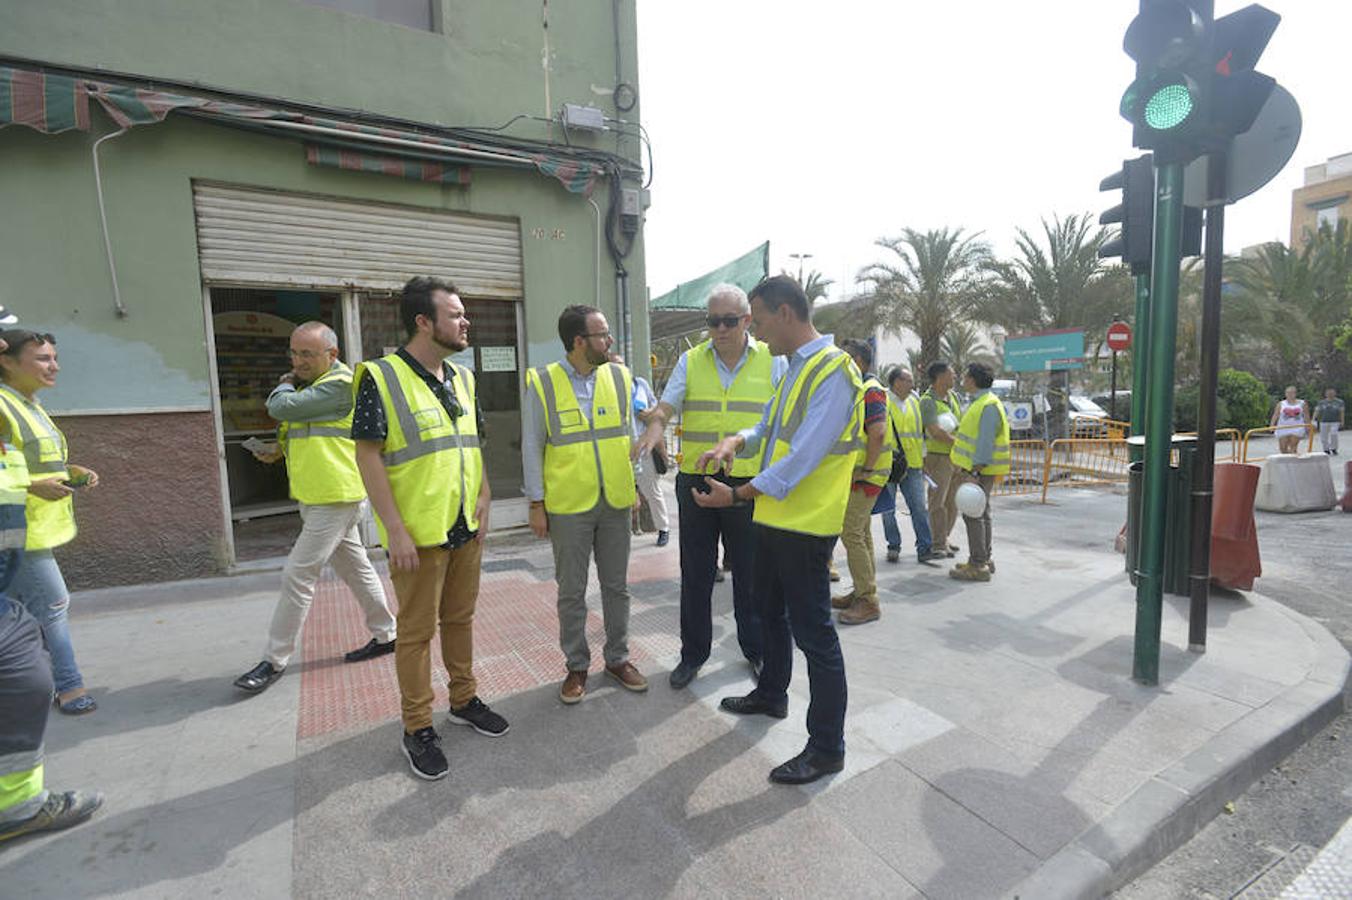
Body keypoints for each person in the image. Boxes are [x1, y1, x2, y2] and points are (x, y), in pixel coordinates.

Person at [693, 275, 862, 786]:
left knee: (816, 637)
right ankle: (772, 692)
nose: (757, 332)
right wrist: (734, 442)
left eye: (759, 321)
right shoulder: (793, 368)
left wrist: (739, 495)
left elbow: (805, 455)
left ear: (785, 313)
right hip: (773, 518)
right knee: (769, 614)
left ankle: (827, 747)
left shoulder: (835, 371)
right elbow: (769, 424)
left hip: (805, 526)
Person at [352, 277, 506, 782]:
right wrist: (393, 529)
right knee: (415, 634)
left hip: (465, 524)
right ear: (424, 321)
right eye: (456, 314)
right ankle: (417, 726)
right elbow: (368, 455)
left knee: (460, 619)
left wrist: (484, 494)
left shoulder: (463, 378)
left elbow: (472, 441)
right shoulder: (381, 376)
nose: (466, 323)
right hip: (417, 534)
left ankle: (463, 699)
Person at [233, 322, 398, 695]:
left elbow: (279, 407)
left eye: (307, 354)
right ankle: (387, 633)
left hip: (335, 498)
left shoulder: (340, 386)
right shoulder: (315, 388)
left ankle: (274, 659)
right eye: (294, 353)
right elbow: (305, 432)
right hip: (318, 495)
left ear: (332, 354)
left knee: (298, 574)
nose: (298, 361)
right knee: (356, 568)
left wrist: (285, 382)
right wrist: (274, 450)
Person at [633, 283, 784, 689]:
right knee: (696, 574)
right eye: (712, 321)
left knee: (751, 576)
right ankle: (692, 654)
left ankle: (756, 650)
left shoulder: (773, 360)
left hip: (749, 484)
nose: (719, 329)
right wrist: (656, 424)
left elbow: (783, 418)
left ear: (747, 321)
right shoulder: (691, 360)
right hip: (697, 480)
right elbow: (668, 404)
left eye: (728, 321)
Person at [0, 318, 103, 844]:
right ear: (7, 359)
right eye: (41, 358)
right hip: (22, 533)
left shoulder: (28, 404)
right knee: (52, 608)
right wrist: (31, 484)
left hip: (29, 530)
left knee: (28, 621)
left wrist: (70, 470)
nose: (53, 365)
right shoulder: (3, 403)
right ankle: (70, 688)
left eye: (53, 357)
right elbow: (12, 473)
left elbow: (28, 462)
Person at [523, 305, 648, 705]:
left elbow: (628, 436)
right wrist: (536, 503)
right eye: (602, 335)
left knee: (617, 587)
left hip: (614, 500)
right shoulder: (542, 382)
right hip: (568, 506)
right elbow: (532, 444)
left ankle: (618, 658)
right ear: (579, 341)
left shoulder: (619, 375)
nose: (609, 341)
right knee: (572, 592)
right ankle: (577, 666)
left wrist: (634, 488)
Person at [831, 339, 892, 626]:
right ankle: (862, 590)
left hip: (868, 474)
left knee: (850, 532)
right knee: (862, 532)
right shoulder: (861, 389)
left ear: (857, 360)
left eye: (844, 358)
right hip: (862, 474)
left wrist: (866, 468)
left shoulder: (870, 390)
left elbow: (877, 433)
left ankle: (868, 600)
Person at [949, 362, 1010, 583]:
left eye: (965, 377)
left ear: (973, 380)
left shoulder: (987, 405)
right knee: (981, 512)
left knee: (973, 514)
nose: (963, 380)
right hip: (978, 469)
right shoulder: (983, 403)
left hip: (979, 470)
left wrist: (974, 472)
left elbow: (984, 443)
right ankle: (983, 558)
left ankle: (978, 564)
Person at [878, 366, 941, 564]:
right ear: (896, 382)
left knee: (919, 507)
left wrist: (923, 460)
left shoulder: (915, 402)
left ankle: (924, 547)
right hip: (888, 465)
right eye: (908, 380)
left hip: (913, 465)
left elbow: (919, 434)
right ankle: (893, 545)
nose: (912, 384)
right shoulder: (882, 402)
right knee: (888, 510)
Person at [610, 352, 670, 547]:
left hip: (643, 445)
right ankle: (617, 533)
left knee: (651, 490)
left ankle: (663, 529)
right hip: (618, 448)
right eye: (614, 366)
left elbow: (657, 410)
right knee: (617, 491)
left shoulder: (639, 385)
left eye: (621, 365)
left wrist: (649, 414)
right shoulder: (605, 390)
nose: (619, 370)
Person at [919, 360, 963, 558]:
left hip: (954, 458)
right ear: (940, 377)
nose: (954, 376)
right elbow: (935, 432)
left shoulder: (953, 397)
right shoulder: (927, 401)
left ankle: (944, 537)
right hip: (938, 459)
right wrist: (960, 444)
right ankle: (937, 544)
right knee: (938, 502)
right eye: (951, 373)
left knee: (952, 502)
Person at [1270, 386, 1309, 455]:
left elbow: (1306, 415)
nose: (1290, 395)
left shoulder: (1302, 403)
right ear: (1285, 394)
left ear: (1295, 394)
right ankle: (1289, 459)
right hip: (1283, 427)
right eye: (1288, 393)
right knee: (1283, 449)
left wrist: (1308, 426)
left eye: (1292, 393)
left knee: (1293, 447)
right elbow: (1275, 415)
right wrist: (1272, 425)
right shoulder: (1281, 404)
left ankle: (1293, 460)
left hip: (1297, 428)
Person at [1314, 388, 1344, 455]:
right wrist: (1313, 419)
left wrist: (1342, 421)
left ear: (1335, 393)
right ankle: (1326, 449)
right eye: (1328, 393)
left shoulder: (1339, 402)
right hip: (1323, 421)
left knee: (1334, 434)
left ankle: (1334, 448)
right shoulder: (1321, 402)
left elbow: (1341, 412)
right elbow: (1317, 411)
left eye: (1332, 393)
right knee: (1323, 436)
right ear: (1325, 394)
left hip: (1335, 421)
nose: (1330, 394)